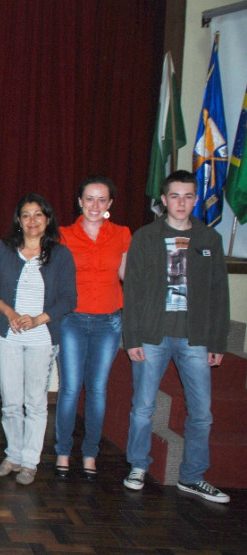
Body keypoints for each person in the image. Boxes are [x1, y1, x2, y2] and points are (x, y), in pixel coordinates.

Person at [122, 170, 230, 503]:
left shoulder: (209, 240)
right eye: (174, 196)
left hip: (195, 337)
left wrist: (218, 342)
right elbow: (134, 292)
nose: (180, 202)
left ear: (195, 199)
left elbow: (218, 294)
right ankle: (138, 466)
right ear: (164, 200)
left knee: (201, 412)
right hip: (152, 335)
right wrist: (132, 338)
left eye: (187, 196)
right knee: (143, 407)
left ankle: (192, 476)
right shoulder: (145, 237)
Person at [0, 193, 76, 485]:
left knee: (36, 402)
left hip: (42, 337)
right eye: (26, 215)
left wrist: (38, 319)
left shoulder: (61, 254)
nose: (32, 220)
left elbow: (68, 300)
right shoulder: (2, 249)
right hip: (8, 335)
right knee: (11, 401)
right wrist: (11, 314)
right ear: (18, 220)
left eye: (38, 214)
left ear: (48, 219)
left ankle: (30, 462)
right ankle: (13, 456)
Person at [54, 176, 130, 481]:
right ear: (80, 201)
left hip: (109, 322)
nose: (95, 205)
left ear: (110, 204)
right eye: (89, 198)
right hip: (72, 319)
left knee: (97, 390)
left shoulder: (123, 234)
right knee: (70, 389)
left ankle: (90, 453)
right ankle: (62, 450)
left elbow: (127, 276)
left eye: (102, 200)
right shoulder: (62, 235)